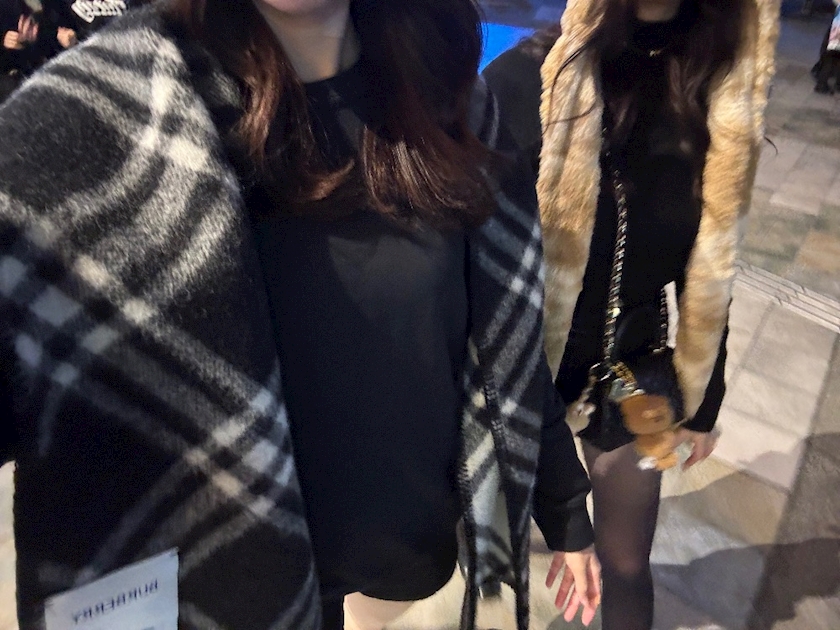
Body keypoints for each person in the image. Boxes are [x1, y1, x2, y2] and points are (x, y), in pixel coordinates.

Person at [0, 1, 602, 629]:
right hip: (222, 581)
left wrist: (565, 508)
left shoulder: (445, 98)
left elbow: (504, 337)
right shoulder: (99, 134)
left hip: (393, 532)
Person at [484, 0, 779, 627]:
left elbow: (711, 264)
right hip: (525, 361)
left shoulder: (716, 92)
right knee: (486, 542)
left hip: (630, 366)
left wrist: (703, 398)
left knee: (624, 561)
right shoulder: (533, 76)